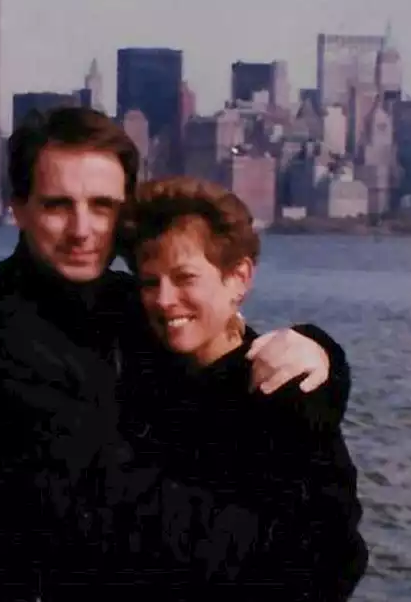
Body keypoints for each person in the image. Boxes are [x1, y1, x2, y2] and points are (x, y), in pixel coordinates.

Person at [0, 106, 336, 601]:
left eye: (103, 205)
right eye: (57, 205)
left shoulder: (128, 304)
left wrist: (318, 353)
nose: (82, 229)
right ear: (18, 208)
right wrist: (298, 554)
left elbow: (235, 367)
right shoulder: (4, 340)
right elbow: (117, 507)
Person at [116, 175, 368, 600]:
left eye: (185, 278)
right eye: (149, 281)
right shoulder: (138, 362)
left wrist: (324, 354)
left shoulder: (280, 387)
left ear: (239, 279)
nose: (163, 299)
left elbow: (334, 559)